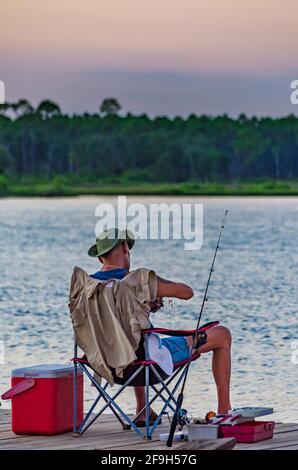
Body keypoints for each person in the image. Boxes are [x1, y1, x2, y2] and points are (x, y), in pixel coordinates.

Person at [88, 228, 232, 426]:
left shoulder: (87, 286)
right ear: (124, 247)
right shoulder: (137, 280)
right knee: (222, 334)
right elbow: (186, 292)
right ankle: (225, 411)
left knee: (131, 340)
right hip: (147, 366)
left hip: (105, 365)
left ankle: (142, 409)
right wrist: (154, 290)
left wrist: (145, 305)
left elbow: (116, 321)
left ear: (99, 258)